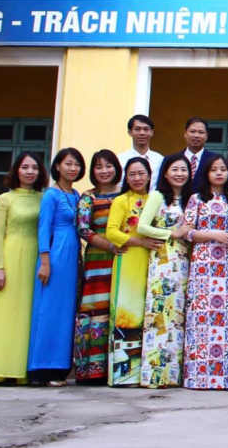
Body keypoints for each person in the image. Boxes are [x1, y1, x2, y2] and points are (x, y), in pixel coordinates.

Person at [0, 151, 46, 385]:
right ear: (16, 171)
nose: (30, 172)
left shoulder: (44, 198)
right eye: (25, 167)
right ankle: (3, 368)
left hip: (37, 258)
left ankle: (25, 369)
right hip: (12, 257)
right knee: (8, 313)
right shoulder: (5, 199)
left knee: (30, 313)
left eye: (35, 168)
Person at [138, 153, 195, 389]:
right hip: (163, 259)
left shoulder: (191, 199)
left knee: (179, 316)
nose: (179, 174)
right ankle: (155, 375)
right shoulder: (158, 196)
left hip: (185, 261)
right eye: (175, 169)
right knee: (160, 313)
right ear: (165, 173)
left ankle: (175, 375)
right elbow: (142, 226)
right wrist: (172, 233)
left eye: (183, 170)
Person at [27, 149, 83, 386]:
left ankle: (60, 368)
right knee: (49, 310)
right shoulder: (51, 195)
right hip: (55, 255)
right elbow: (43, 228)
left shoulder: (76, 194)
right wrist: (45, 262)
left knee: (66, 312)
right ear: (57, 166)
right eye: (68, 163)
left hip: (71, 256)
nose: (73, 168)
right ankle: (40, 369)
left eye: (77, 164)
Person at [183, 153, 228, 390]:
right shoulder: (196, 199)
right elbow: (187, 231)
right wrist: (213, 234)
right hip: (203, 264)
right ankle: (196, 376)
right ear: (206, 173)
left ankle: (220, 377)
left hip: (226, 265)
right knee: (200, 316)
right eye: (214, 169)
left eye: (223, 169)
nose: (219, 173)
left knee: (223, 318)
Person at [106, 157, 159, 386]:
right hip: (128, 260)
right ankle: (121, 377)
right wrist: (141, 242)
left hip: (153, 261)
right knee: (126, 313)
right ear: (126, 178)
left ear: (149, 175)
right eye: (132, 174)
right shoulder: (121, 201)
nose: (137, 178)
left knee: (149, 314)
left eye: (141, 173)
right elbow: (112, 232)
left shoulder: (155, 200)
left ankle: (147, 372)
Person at [74, 151, 125, 385]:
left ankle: (118, 369)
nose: (104, 171)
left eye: (108, 166)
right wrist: (110, 246)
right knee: (96, 309)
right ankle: (91, 370)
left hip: (124, 260)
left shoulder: (126, 195)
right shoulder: (89, 197)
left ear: (116, 167)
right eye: (98, 167)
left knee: (118, 308)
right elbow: (83, 229)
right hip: (97, 262)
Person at [118, 115, 163, 190]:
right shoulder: (120, 160)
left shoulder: (160, 160)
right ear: (130, 132)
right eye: (137, 129)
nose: (142, 133)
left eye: (146, 129)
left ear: (152, 132)